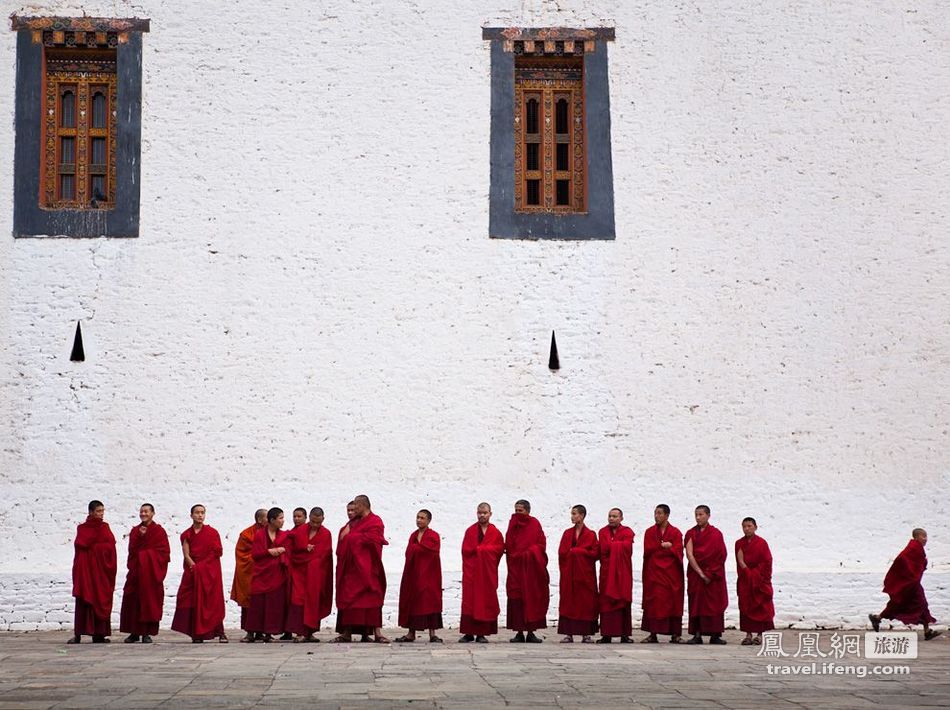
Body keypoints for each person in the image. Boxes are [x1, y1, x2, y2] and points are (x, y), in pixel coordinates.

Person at [333, 494, 389, 643]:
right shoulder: (352, 523)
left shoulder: (375, 521)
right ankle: (347, 633)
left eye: (356, 506)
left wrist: (351, 537)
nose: (353, 509)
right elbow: (342, 545)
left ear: (363, 505)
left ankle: (377, 633)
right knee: (349, 598)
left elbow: (374, 539)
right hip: (352, 569)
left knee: (373, 598)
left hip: (368, 568)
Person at [870, 528, 941, 640]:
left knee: (920, 605)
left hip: (913, 583)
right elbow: (902, 560)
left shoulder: (917, 548)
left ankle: (927, 631)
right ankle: (877, 617)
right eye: (923, 536)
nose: (926, 539)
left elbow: (918, 563)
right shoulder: (913, 548)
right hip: (909, 583)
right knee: (902, 604)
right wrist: (909, 576)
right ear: (916, 537)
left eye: (926, 536)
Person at [171, 504, 228, 643]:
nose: (200, 515)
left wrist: (202, 567)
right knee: (188, 599)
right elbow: (186, 554)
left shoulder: (212, 532)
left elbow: (216, 553)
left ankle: (220, 632)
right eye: (197, 513)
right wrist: (194, 567)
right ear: (191, 515)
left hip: (210, 573)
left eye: (202, 513)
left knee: (212, 602)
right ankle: (196, 633)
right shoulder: (187, 534)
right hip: (193, 571)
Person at [119, 503, 170, 644]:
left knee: (149, 602)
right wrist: (141, 538)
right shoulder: (135, 531)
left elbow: (164, 553)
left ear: (153, 513)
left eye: (146, 511)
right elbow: (132, 551)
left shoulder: (159, 531)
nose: (143, 514)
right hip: (136, 572)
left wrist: (146, 556)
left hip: (151, 574)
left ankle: (146, 633)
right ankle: (134, 633)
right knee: (132, 601)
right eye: (141, 511)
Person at [68, 500, 117, 644]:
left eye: (102, 511)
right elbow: (80, 548)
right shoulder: (82, 528)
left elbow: (110, 547)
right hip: (87, 572)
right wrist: (97, 549)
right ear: (90, 512)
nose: (101, 514)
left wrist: (97, 550)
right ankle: (78, 634)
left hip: (101, 572)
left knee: (100, 599)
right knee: (84, 601)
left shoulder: (105, 527)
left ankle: (99, 634)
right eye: (98, 511)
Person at [396, 509, 444, 643]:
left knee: (430, 601)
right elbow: (409, 552)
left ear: (428, 521)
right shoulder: (413, 535)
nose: (419, 520)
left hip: (429, 575)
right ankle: (411, 633)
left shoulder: (433, 536)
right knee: (412, 601)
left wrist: (416, 549)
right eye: (418, 517)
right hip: (414, 574)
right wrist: (416, 549)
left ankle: (432, 634)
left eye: (422, 518)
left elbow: (431, 552)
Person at [286, 507, 333, 642]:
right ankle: (300, 632)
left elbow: (325, 554)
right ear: (309, 519)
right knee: (298, 599)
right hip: (299, 572)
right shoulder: (300, 531)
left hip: (316, 574)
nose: (315, 525)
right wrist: (304, 549)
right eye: (313, 522)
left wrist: (313, 561)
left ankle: (310, 632)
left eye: (318, 522)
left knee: (313, 601)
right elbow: (292, 549)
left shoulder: (326, 533)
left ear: (323, 519)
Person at [459, 502, 505, 643]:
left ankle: (481, 633)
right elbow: (465, 551)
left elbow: (499, 550)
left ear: (490, 514)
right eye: (479, 512)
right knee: (469, 601)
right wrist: (480, 550)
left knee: (484, 601)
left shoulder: (495, 533)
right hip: (472, 573)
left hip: (486, 574)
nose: (482, 515)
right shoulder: (470, 531)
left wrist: (482, 550)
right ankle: (468, 633)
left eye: (485, 513)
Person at [505, 499, 549, 643]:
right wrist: (514, 555)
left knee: (531, 598)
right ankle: (518, 632)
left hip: (531, 569)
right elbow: (509, 543)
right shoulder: (513, 523)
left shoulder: (534, 524)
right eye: (516, 510)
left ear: (528, 511)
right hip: (516, 568)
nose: (517, 513)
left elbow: (541, 544)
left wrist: (530, 552)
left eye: (521, 511)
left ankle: (531, 632)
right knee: (516, 597)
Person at [244, 507, 290, 642]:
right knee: (257, 604)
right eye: (280, 518)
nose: (283, 521)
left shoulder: (284, 535)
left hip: (277, 575)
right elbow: (255, 554)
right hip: (261, 574)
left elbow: (290, 551)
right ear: (272, 520)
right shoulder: (259, 535)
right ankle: (251, 632)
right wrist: (270, 551)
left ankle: (269, 633)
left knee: (273, 605)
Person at [684, 505, 728, 645]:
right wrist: (701, 574)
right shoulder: (690, 533)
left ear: (708, 515)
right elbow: (689, 554)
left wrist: (711, 573)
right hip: (697, 574)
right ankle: (697, 635)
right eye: (696, 514)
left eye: (701, 514)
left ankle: (715, 635)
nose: (698, 517)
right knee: (696, 603)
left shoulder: (716, 534)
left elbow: (721, 555)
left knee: (714, 604)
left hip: (713, 575)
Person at [642, 504, 684, 643]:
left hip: (671, 574)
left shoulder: (676, 532)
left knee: (673, 602)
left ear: (667, 515)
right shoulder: (649, 532)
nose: (656, 516)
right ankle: (653, 634)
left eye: (659, 513)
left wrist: (671, 547)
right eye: (655, 513)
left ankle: (675, 634)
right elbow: (647, 550)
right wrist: (661, 546)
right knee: (654, 602)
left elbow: (679, 550)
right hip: (654, 573)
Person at [557, 505, 599, 643]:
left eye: (574, 514)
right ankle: (568, 633)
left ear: (581, 516)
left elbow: (595, 553)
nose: (572, 516)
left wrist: (578, 552)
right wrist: (573, 554)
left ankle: (586, 634)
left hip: (585, 576)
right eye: (572, 514)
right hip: (569, 575)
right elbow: (562, 553)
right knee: (568, 602)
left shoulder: (591, 534)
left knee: (585, 603)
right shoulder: (567, 533)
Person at [735, 517, 775, 645]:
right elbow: (739, 562)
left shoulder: (762, 543)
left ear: (755, 527)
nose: (746, 529)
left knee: (761, 607)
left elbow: (767, 562)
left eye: (749, 526)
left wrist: (750, 571)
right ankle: (748, 634)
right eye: (744, 526)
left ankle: (759, 635)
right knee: (746, 606)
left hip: (760, 581)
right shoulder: (739, 543)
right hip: (745, 581)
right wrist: (745, 570)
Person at [597, 507, 634, 644]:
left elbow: (627, 548)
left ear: (621, 518)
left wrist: (612, 545)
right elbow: (603, 548)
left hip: (622, 573)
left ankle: (624, 635)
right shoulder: (602, 531)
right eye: (610, 516)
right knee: (606, 603)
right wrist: (616, 545)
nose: (611, 519)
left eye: (614, 516)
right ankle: (606, 635)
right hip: (607, 572)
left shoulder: (627, 531)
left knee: (623, 602)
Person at [232, 509, 267, 642]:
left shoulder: (269, 533)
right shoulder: (247, 534)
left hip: (264, 574)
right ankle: (250, 632)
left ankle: (261, 632)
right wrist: (260, 558)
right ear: (259, 520)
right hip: (249, 574)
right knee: (249, 602)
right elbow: (242, 555)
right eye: (266, 517)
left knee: (263, 603)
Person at [278, 507, 309, 640]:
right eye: (294, 516)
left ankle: (301, 630)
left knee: (299, 600)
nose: (296, 519)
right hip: (290, 570)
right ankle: (289, 630)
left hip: (303, 571)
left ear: (305, 518)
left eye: (299, 516)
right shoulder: (291, 532)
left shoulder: (309, 531)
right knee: (288, 600)